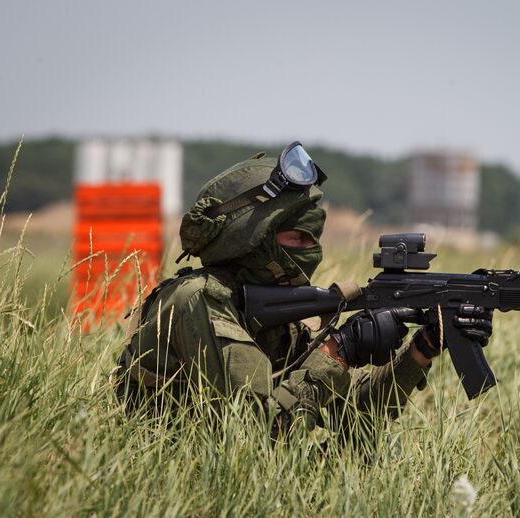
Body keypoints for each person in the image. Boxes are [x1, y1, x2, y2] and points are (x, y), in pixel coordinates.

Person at [115, 142, 494, 437]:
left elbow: (354, 416)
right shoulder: (198, 300)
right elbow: (253, 435)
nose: (309, 249)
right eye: (296, 237)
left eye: (312, 237)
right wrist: (337, 351)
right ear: (254, 240)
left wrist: (421, 350)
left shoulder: (276, 318)